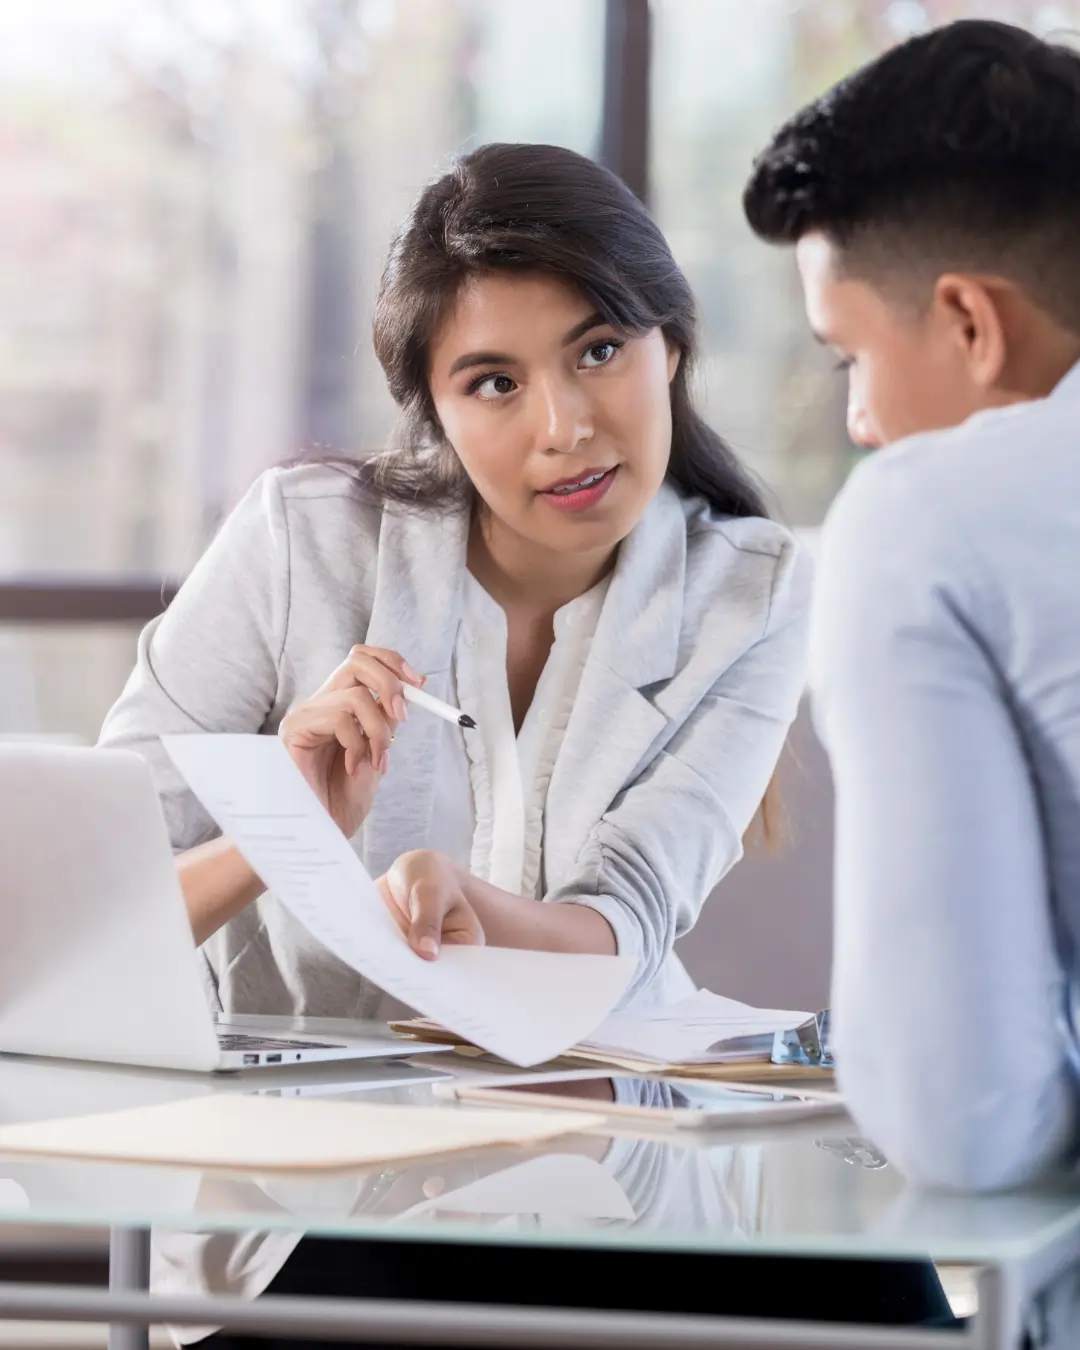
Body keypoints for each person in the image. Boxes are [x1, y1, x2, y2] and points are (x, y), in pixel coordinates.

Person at [100, 141, 815, 1348]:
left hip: (620, 1166)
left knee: (887, 1300)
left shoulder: (753, 591)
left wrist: (473, 908)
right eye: (493, 382)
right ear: (433, 408)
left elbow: (631, 916)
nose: (565, 427)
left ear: (672, 345)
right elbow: (87, 919)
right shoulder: (299, 542)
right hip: (312, 1201)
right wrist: (281, 831)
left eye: (600, 350)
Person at [743, 19, 1080, 1193]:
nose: (859, 422)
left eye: (850, 358)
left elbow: (963, 1120)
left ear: (972, 322)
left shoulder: (924, 516)